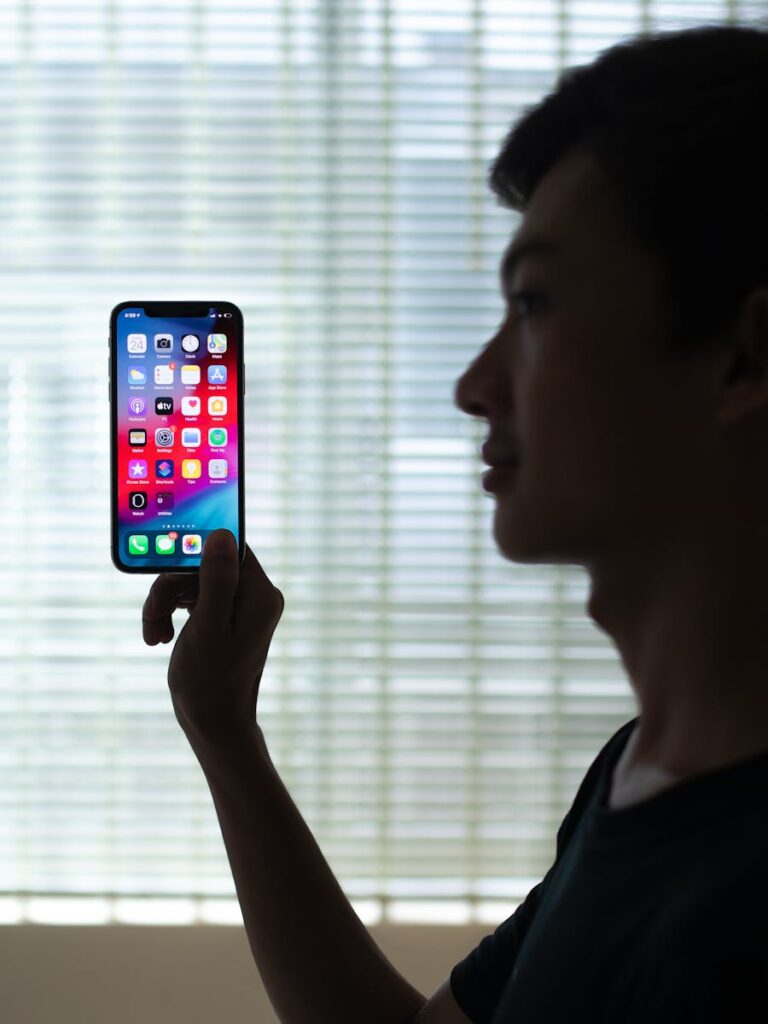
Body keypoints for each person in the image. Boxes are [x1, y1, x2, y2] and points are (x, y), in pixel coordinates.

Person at [141, 22, 768, 1024]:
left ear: (744, 357)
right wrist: (225, 734)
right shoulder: (640, 770)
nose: (474, 385)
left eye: (533, 303)